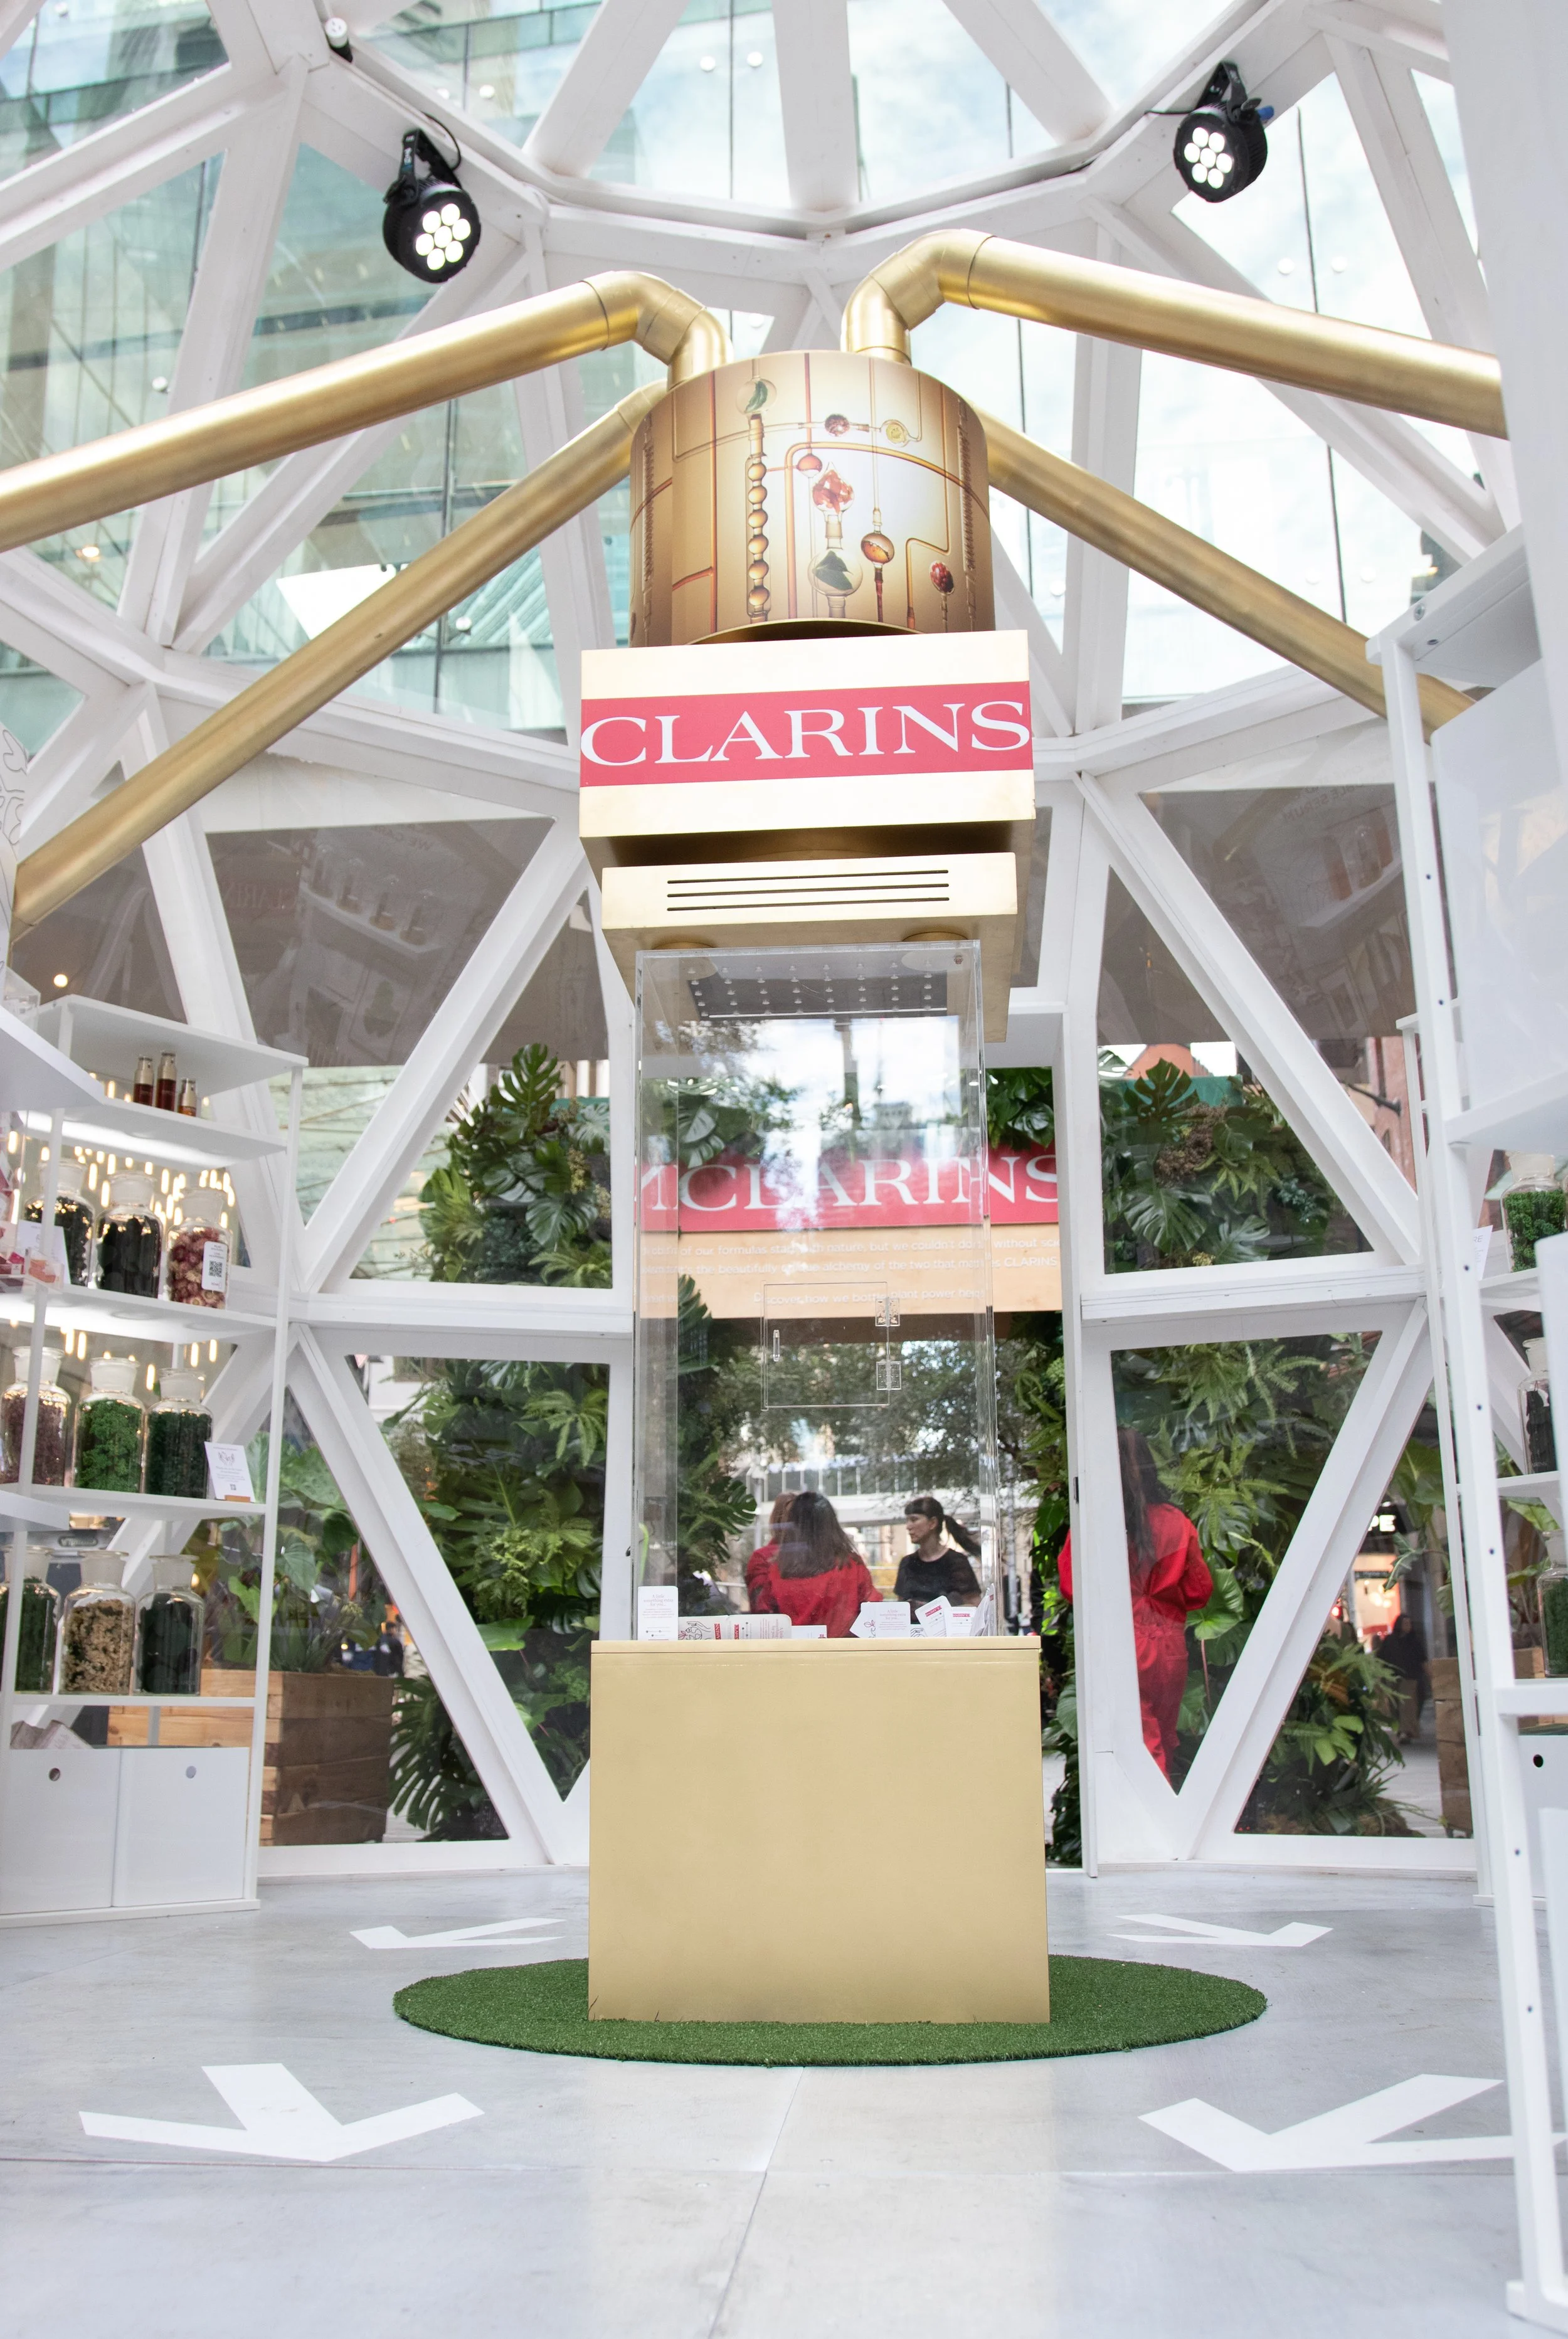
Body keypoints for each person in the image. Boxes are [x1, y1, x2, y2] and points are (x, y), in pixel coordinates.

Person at [1059, 1428, 1212, 1781]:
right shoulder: (1176, 1521)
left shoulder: (1092, 1523)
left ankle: (1143, 1832)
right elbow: (1199, 1591)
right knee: (1164, 1743)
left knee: (1138, 1750)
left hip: (1119, 1648)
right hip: (1169, 1648)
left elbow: (1070, 1587)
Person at [747, 1488, 881, 1637]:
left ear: (793, 1526)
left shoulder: (777, 1570)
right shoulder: (851, 1564)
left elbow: (764, 1618)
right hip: (843, 1654)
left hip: (794, 1654)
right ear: (831, 1523)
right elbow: (874, 1609)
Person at [894, 1496, 983, 1612]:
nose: (908, 1526)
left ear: (933, 1523)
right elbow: (900, 1609)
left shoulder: (956, 1562)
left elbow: (974, 1605)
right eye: (907, 1520)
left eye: (914, 1519)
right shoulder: (907, 1563)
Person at [1382, 1608, 1429, 1742]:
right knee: (1395, 1705)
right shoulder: (1390, 1641)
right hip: (1393, 1677)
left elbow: (1422, 1659)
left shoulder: (1414, 1641)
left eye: (1410, 1623)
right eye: (1405, 1623)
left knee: (1407, 1704)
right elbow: (1383, 1658)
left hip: (1410, 1676)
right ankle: (1402, 1728)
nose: (1408, 1626)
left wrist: (1430, 1675)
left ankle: (1406, 1731)